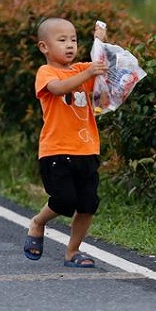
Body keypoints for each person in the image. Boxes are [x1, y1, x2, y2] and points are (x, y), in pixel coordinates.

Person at [23, 17, 108, 268]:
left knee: (88, 203)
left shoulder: (82, 69)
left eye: (73, 40)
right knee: (64, 200)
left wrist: (100, 42)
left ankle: (73, 252)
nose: (70, 45)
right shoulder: (46, 73)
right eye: (62, 40)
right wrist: (88, 73)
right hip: (56, 151)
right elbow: (58, 89)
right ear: (44, 47)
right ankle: (38, 222)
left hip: (87, 149)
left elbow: (102, 70)